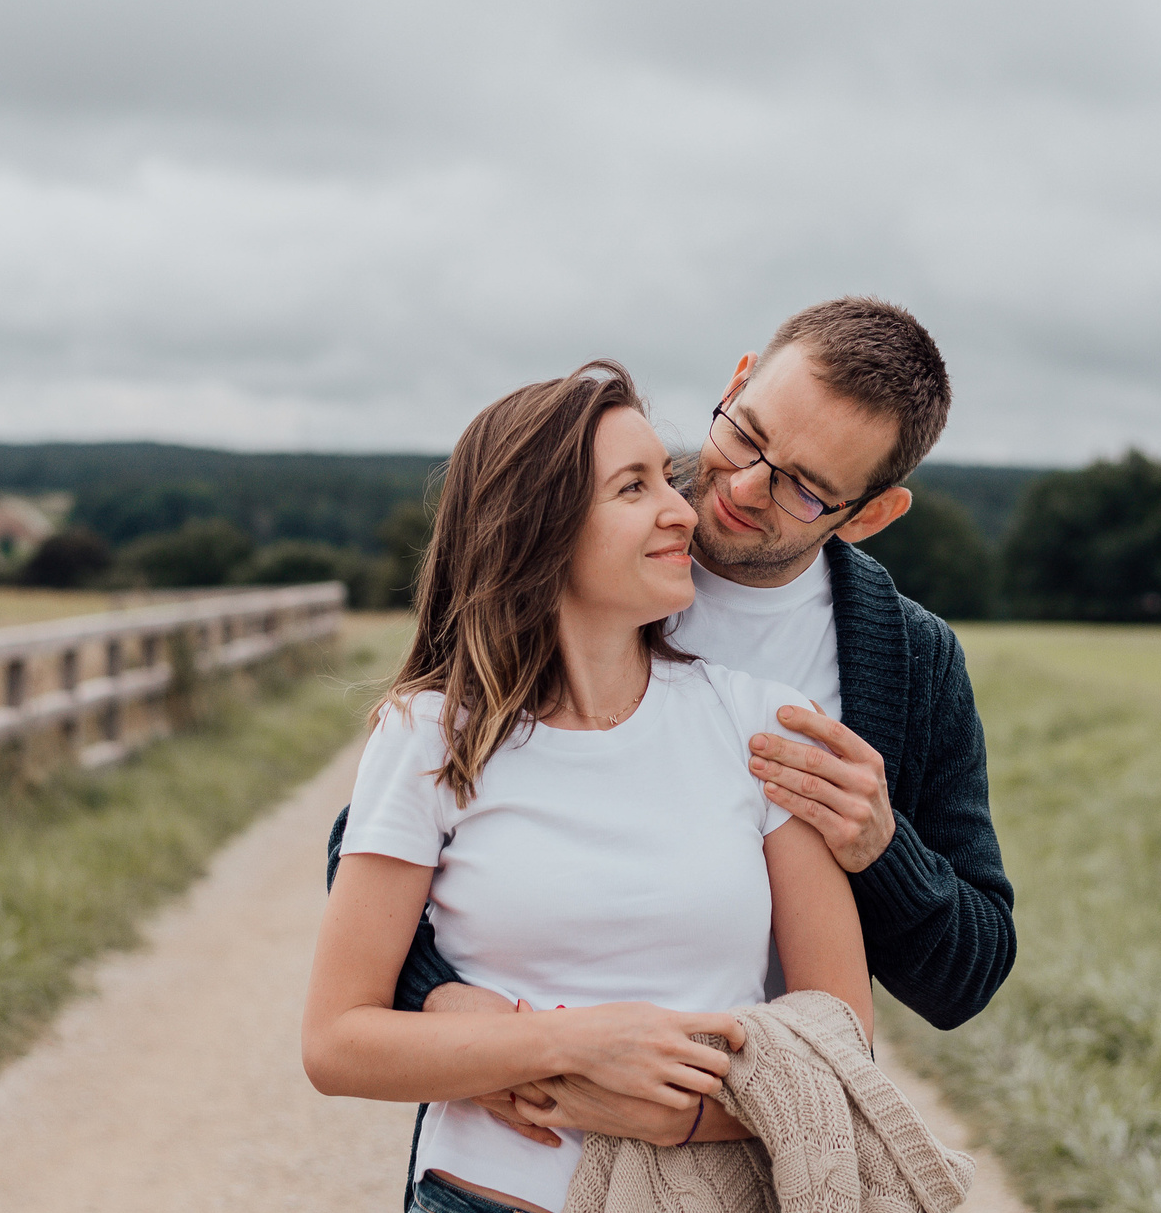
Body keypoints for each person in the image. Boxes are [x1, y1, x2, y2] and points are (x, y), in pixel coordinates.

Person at [302, 362, 874, 1213]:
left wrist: (670, 1105)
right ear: (535, 527)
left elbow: (840, 1044)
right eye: (632, 487)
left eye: (664, 474)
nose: (682, 507)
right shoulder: (429, 734)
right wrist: (568, 1043)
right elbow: (338, 1039)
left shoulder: (758, 724)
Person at [331, 296, 1015, 1153]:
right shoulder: (588, 548)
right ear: (737, 381)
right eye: (746, 434)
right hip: (510, 1169)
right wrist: (463, 1013)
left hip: (736, 1156)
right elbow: (387, 828)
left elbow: (969, 972)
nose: (740, 488)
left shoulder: (910, 661)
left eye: (805, 487)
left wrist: (881, 847)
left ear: (870, 514)